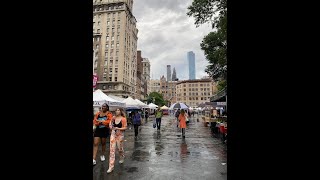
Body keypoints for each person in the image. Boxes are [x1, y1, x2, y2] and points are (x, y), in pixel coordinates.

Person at [107, 108, 127, 173]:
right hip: (113, 135)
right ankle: (111, 167)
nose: (116, 111)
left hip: (120, 135)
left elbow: (125, 127)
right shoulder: (113, 118)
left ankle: (121, 157)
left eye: (118, 110)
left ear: (121, 111)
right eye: (116, 110)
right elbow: (110, 124)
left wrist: (118, 128)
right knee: (112, 150)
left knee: (120, 149)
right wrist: (111, 127)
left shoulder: (123, 119)